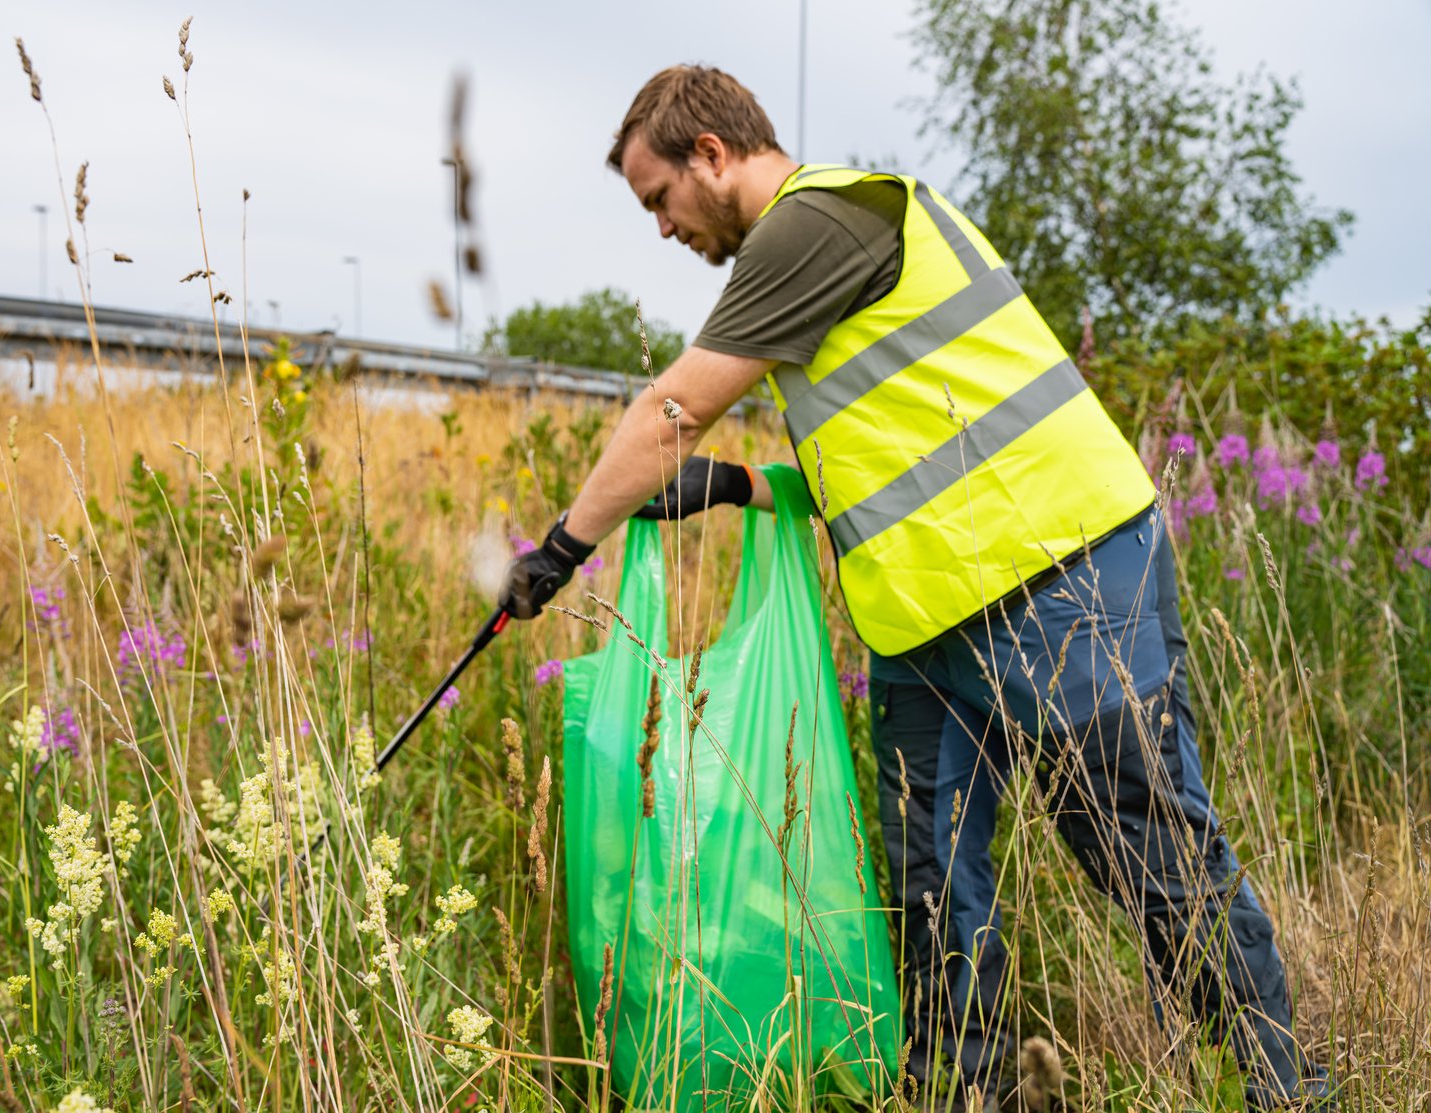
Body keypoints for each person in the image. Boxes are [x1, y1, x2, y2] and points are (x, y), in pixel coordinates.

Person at [497, 65, 1332, 1111]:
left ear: (709, 155)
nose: (660, 228)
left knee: (1149, 860)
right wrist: (747, 486)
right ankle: (959, 1096)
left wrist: (564, 547)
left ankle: (1286, 1091)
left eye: (657, 198)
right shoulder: (812, 254)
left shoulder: (818, 224)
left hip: (1059, 574)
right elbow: (892, 443)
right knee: (931, 892)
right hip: (926, 627)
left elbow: (673, 408)